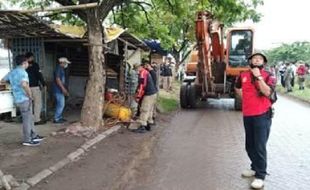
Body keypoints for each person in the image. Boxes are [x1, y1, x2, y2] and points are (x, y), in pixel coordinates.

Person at [235, 52, 276, 189]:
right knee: (250, 145)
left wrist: (258, 76)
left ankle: (260, 175)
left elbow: (268, 92)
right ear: (250, 61)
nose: (257, 60)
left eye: (260, 59)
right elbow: (237, 87)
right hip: (248, 114)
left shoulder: (268, 75)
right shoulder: (243, 75)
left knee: (260, 146)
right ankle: (254, 167)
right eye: (254, 58)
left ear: (263, 62)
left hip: (262, 114)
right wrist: (245, 98)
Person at [1, 55, 44, 146]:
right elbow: (24, 85)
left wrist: (13, 85)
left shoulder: (13, 72)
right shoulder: (23, 72)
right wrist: (30, 95)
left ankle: (33, 135)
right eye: (27, 62)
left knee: (30, 118)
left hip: (17, 98)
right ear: (24, 63)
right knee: (27, 120)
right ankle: (27, 140)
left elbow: (2, 80)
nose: (28, 64)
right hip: (24, 99)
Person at [133, 62, 158, 133]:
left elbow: (142, 86)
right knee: (149, 109)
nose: (136, 71)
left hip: (149, 94)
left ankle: (142, 126)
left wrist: (138, 97)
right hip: (153, 93)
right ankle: (148, 124)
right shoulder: (146, 72)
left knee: (144, 109)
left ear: (139, 68)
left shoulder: (143, 73)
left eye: (136, 69)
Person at [25, 52, 46, 125]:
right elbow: (39, 75)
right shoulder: (35, 65)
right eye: (32, 57)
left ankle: (28, 119)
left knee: (28, 104)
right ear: (30, 57)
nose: (33, 58)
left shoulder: (23, 66)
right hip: (34, 87)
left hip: (25, 88)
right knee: (37, 103)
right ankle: (36, 119)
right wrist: (43, 84)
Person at [53, 57, 70, 124]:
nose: (66, 64)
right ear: (62, 62)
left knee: (60, 104)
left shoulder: (61, 69)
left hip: (59, 89)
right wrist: (63, 89)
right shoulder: (58, 69)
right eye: (65, 63)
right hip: (58, 90)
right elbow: (58, 80)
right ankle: (56, 118)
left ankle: (59, 117)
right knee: (61, 104)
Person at [144, 61, 158, 125]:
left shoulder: (151, 73)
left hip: (151, 91)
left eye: (146, 66)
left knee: (148, 107)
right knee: (151, 107)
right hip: (154, 91)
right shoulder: (152, 72)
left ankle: (149, 119)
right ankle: (151, 119)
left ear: (148, 66)